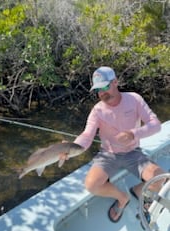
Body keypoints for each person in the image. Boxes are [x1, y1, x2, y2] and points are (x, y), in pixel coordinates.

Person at [61, 66, 164, 222]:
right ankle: (122, 198)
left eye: (105, 87)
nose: (102, 93)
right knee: (91, 185)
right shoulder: (97, 110)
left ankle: (138, 190)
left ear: (115, 82)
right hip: (108, 154)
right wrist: (70, 148)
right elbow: (87, 135)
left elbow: (155, 124)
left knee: (160, 179)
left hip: (133, 152)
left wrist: (133, 134)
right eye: (98, 89)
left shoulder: (134, 99)